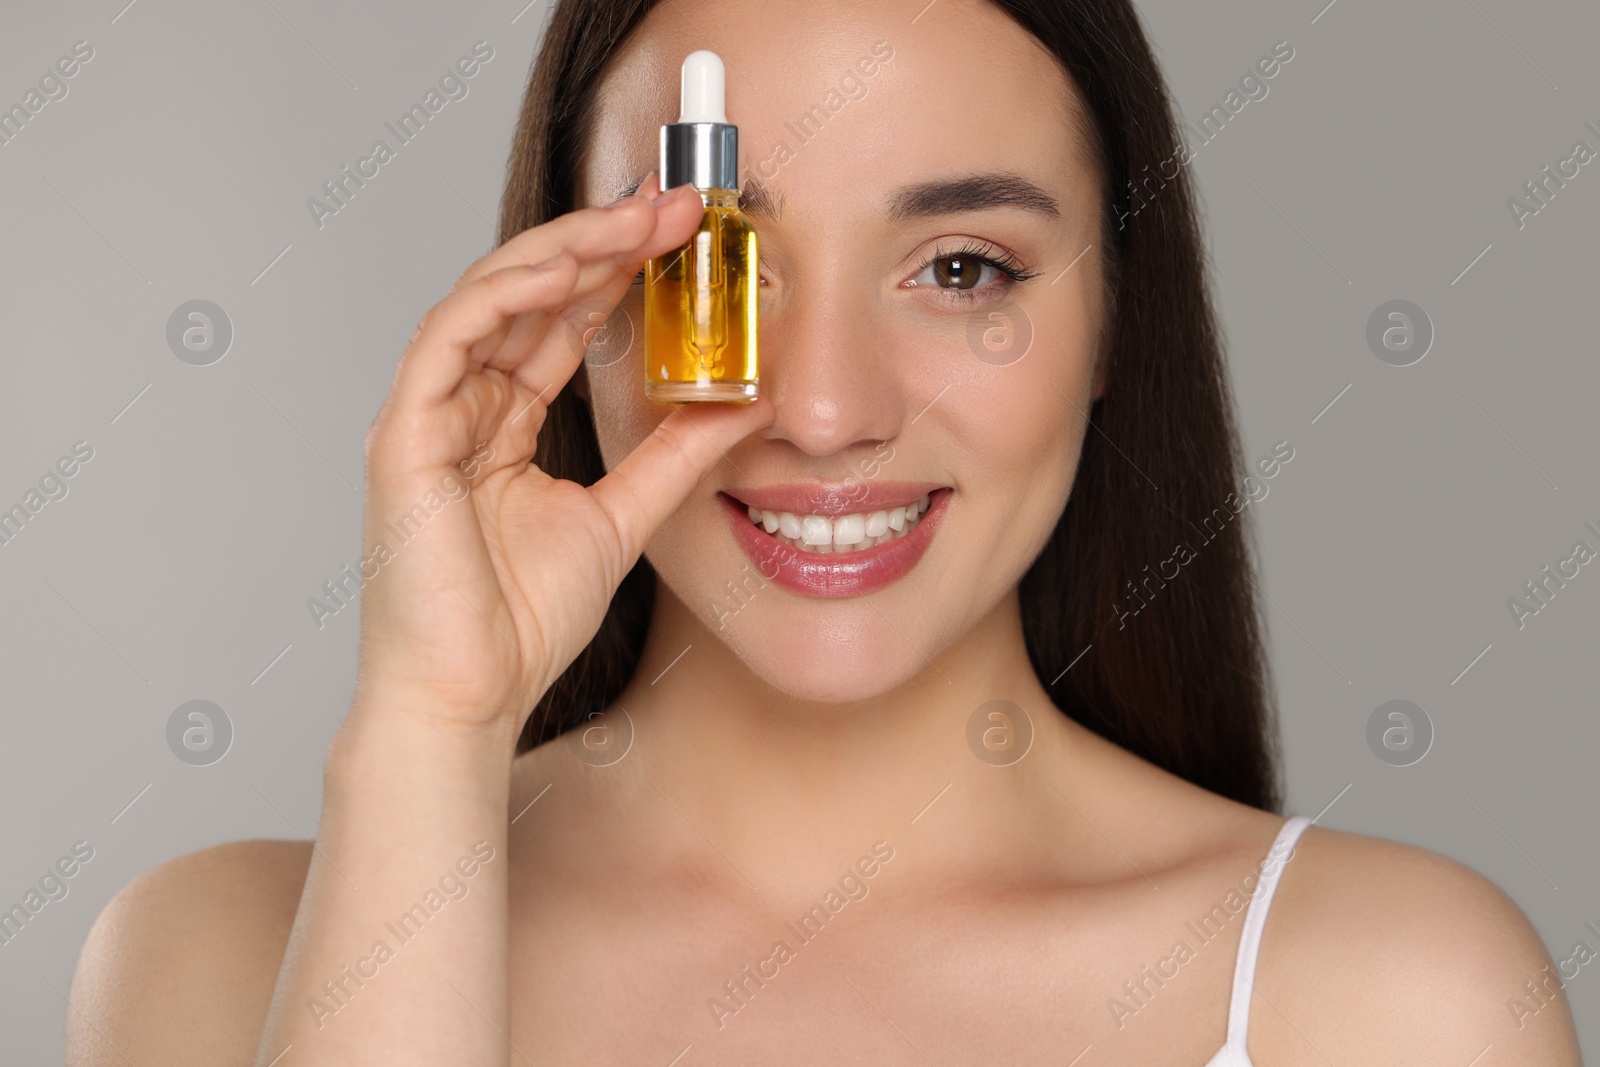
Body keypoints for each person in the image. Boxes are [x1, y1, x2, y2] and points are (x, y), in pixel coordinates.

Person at [67, 0, 1582, 1063]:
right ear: (571, 299)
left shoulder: (1396, 1002)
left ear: (1117, 318)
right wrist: (428, 733)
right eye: (716, 266)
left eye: (964, 269)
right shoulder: (220, 962)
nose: (825, 407)